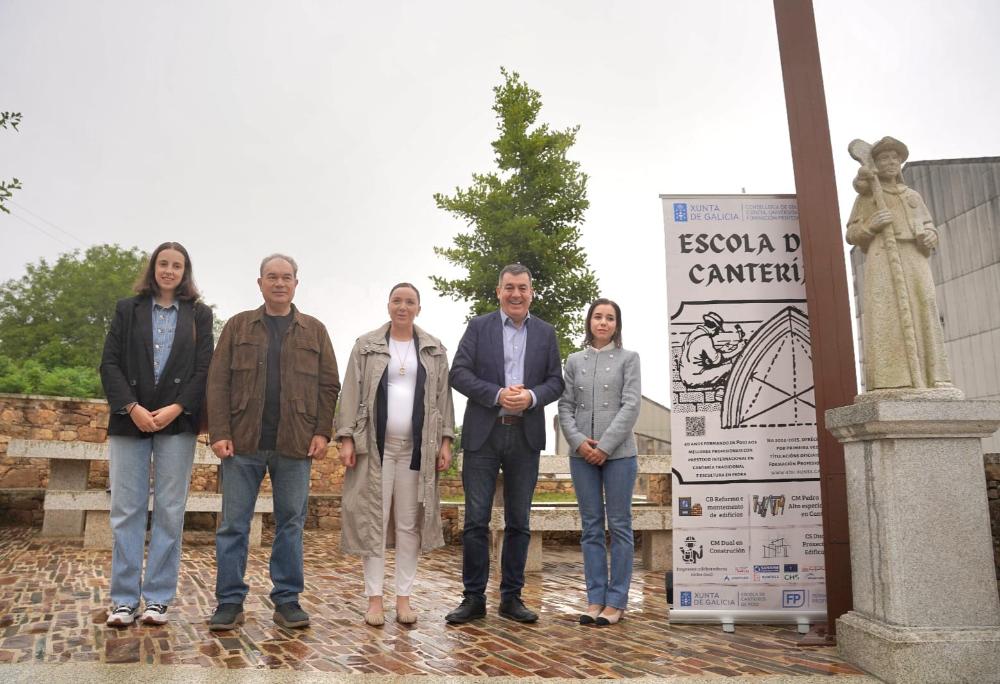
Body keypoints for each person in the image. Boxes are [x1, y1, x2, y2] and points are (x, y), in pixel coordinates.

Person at [205, 254, 340, 631]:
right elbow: (217, 383)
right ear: (260, 283)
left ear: (296, 283)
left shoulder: (314, 331)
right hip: (242, 443)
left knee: (291, 524)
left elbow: (329, 385)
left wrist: (322, 431)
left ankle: (287, 600)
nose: (279, 283)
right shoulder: (237, 327)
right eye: (272, 277)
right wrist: (220, 433)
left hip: (295, 444)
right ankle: (229, 602)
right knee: (233, 524)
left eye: (286, 277)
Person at [99, 241, 214, 627]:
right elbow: (109, 363)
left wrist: (177, 408)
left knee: (168, 511)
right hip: (129, 419)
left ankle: (158, 599)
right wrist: (131, 408)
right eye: (163, 264)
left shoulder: (198, 315)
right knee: (126, 510)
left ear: (185, 272)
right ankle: (123, 600)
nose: (169, 270)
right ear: (153, 269)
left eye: (176, 265)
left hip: (176, 421)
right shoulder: (126, 309)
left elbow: (203, 368)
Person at [445, 264, 564, 624]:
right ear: (498, 291)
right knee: (476, 522)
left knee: (519, 522)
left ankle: (512, 598)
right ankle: (473, 598)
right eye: (509, 287)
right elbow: (459, 374)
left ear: (531, 292)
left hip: (525, 436)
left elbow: (556, 382)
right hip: (485, 433)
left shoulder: (546, 333)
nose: (516, 294)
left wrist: (530, 396)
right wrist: (497, 394)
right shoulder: (479, 327)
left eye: (523, 288)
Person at [335, 283, 455, 626]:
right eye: (397, 300)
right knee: (374, 521)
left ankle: (404, 598)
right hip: (375, 450)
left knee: (408, 525)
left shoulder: (433, 350)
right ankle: (375, 599)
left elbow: (444, 400)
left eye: (410, 302)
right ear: (388, 305)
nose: (403, 307)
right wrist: (346, 438)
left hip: (417, 451)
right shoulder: (366, 346)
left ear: (419, 307)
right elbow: (351, 392)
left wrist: (446, 440)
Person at [846, 136, 956, 395]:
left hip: (914, 258)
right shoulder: (868, 196)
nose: (891, 162)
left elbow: (928, 225)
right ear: (876, 163)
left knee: (924, 305)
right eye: (884, 158)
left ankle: (934, 377)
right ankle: (893, 379)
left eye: (895, 157)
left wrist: (931, 235)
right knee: (888, 312)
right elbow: (852, 233)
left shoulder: (913, 196)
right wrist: (870, 225)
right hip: (883, 257)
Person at [557, 298, 641, 626]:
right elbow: (565, 406)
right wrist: (579, 442)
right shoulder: (574, 360)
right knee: (590, 528)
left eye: (609, 318)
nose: (603, 322)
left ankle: (616, 601)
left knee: (619, 526)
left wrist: (604, 446)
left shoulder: (629, 359)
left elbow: (631, 406)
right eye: (598, 316)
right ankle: (594, 599)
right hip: (582, 457)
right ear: (589, 321)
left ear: (617, 325)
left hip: (619, 455)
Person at [677, 312, 745, 389]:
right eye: (718, 330)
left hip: (685, 377)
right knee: (731, 367)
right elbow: (717, 360)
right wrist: (738, 349)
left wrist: (722, 350)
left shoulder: (693, 335)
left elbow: (700, 355)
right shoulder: (705, 339)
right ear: (714, 328)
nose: (717, 333)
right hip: (695, 378)